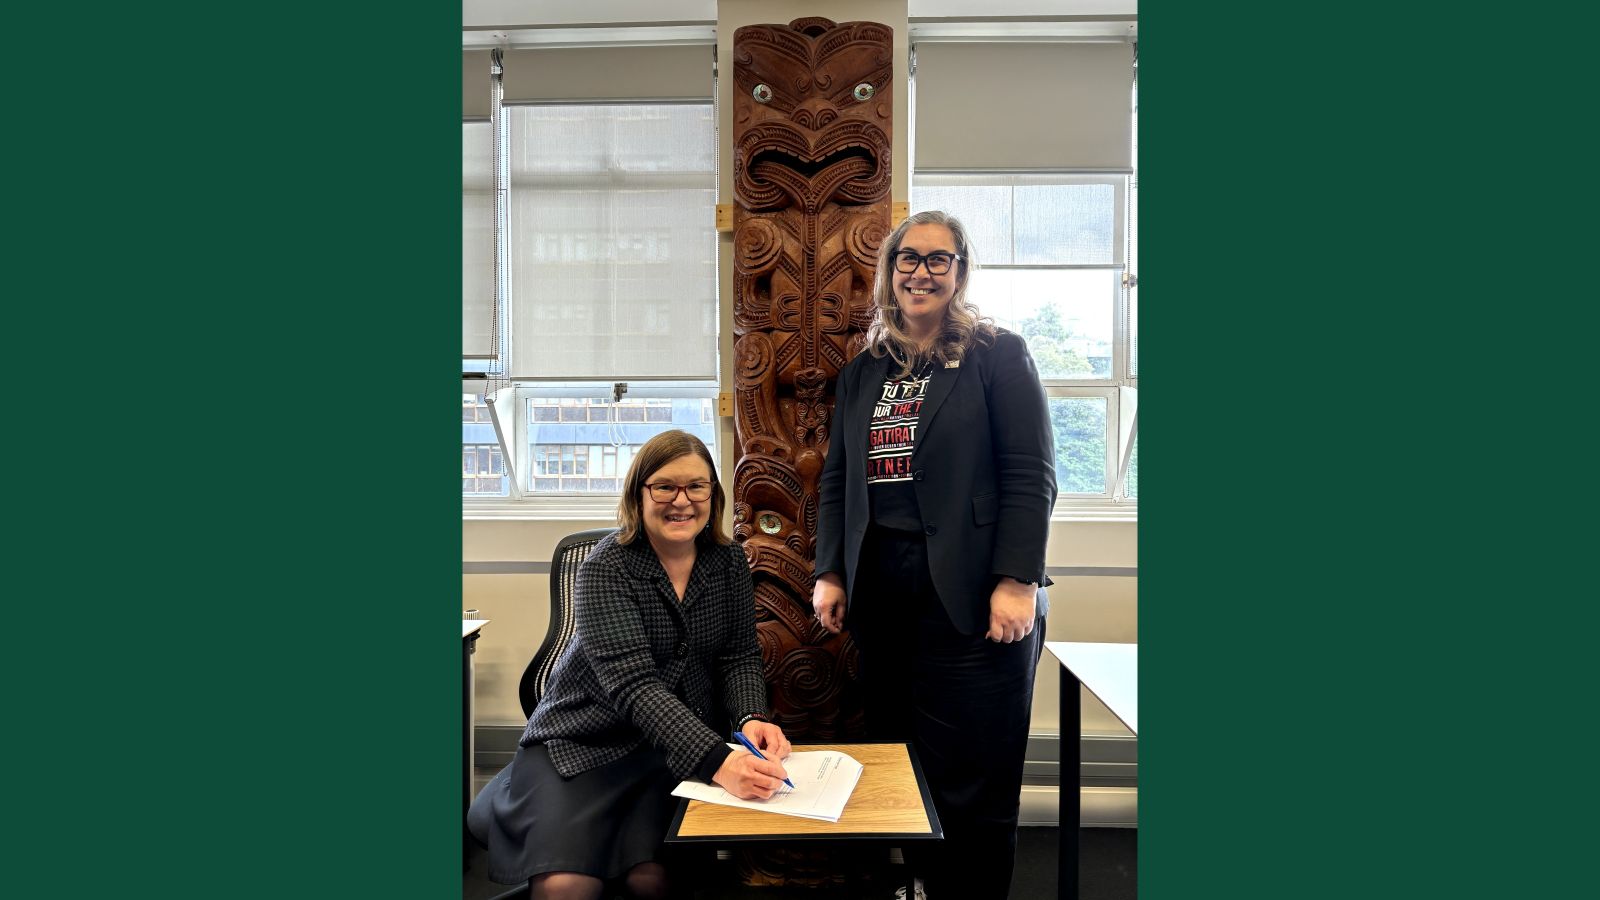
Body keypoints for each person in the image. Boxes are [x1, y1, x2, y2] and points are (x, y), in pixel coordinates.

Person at [812, 210, 1057, 899]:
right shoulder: (866, 371)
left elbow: (1030, 473)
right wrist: (829, 570)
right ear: (890, 270)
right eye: (908, 258)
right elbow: (838, 478)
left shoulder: (996, 354)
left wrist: (1016, 580)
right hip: (882, 589)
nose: (922, 271)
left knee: (975, 766)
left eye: (938, 259)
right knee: (901, 753)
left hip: (974, 588)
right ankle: (918, 885)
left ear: (959, 272)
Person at [473, 430, 793, 900]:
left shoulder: (727, 562)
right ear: (638, 494)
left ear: (713, 495)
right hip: (582, 742)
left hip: (666, 747)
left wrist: (751, 718)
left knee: (652, 880)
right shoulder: (607, 567)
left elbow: (739, 655)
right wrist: (719, 761)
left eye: (696, 487)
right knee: (567, 885)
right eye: (664, 486)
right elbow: (634, 686)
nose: (681, 501)